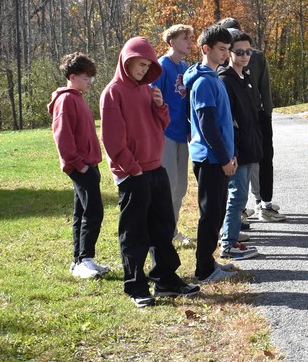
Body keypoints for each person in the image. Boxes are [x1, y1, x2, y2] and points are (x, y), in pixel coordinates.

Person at [100, 37, 199, 308]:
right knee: (135, 232)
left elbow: (162, 124)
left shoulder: (148, 88)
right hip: (133, 173)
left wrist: (159, 105)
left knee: (163, 226)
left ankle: (166, 279)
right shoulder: (113, 92)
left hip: (157, 167)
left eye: (147, 65)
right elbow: (112, 139)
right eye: (139, 64)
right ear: (126, 61)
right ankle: (136, 286)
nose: (144, 70)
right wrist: (132, 169)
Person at [184, 24, 240, 283]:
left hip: (220, 157)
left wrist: (232, 153)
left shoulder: (214, 77)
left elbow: (224, 122)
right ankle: (204, 269)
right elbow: (207, 125)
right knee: (211, 213)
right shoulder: (204, 81)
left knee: (217, 212)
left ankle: (209, 261)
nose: (226, 54)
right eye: (221, 49)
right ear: (206, 49)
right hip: (210, 159)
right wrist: (224, 158)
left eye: (228, 49)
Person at [49, 52, 110, 280]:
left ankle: (80, 260)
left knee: (81, 212)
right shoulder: (65, 100)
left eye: (91, 78)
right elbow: (62, 137)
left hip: (88, 164)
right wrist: (78, 165)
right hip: (81, 167)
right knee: (93, 211)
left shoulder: (77, 97)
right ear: (72, 76)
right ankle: (84, 258)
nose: (90, 82)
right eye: (86, 77)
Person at [218, 17, 284, 221]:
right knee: (240, 161)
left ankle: (264, 203)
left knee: (264, 158)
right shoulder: (222, 60)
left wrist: (268, 112)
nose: (243, 54)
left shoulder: (257, 56)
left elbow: (265, 86)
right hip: (237, 117)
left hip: (258, 114)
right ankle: (239, 209)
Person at [218, 30, 263, 262]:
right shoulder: (225, 79)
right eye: (239, 52)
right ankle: (228, 243)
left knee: (240, 197)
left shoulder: (244, 77)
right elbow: (226, 120)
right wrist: (231, 151)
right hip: (236, 149)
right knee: (236, 196)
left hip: (248, 146)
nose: (245, 56)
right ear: (229, 53)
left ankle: (231, 237)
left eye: (248, 52)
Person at [151, 24, 194, 245]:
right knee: (169, 184)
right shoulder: (161, 66)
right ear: (171, 42)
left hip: (180, 133)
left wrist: (188, 128)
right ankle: (164, 233)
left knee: (181, 187)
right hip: (164, 133)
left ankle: (172, 231)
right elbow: (152, 98)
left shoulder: (185, 67)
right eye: (184, 38)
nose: (189, 42)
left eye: (190, 38)